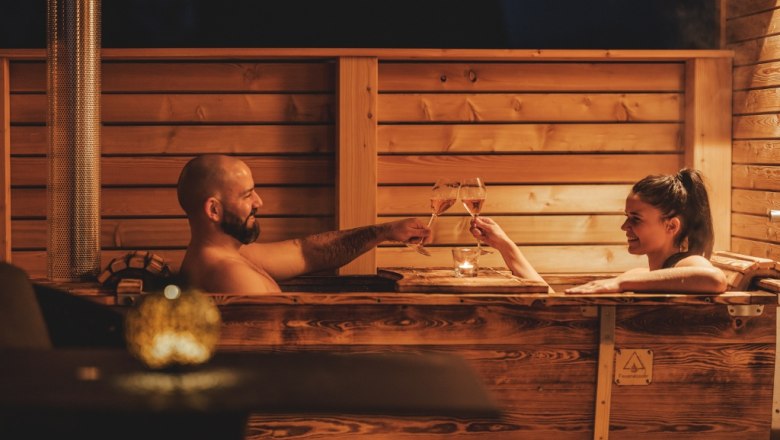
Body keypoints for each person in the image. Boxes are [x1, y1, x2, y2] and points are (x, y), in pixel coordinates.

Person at [176, 154, 430, 293]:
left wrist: (384, 231)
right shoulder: (228, 275)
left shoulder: (232, 255)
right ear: (213, 210)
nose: (259, 202)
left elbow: (307, 251)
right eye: (247, 195)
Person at [471, 168, 728, 294]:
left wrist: (619, 282)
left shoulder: (686, 263)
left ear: (671, 226)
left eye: (635, 219)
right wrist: (504, 245)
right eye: (626, 217)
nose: (625, 227)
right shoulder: (642, 275)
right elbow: (554, 300)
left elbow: (714, 279)